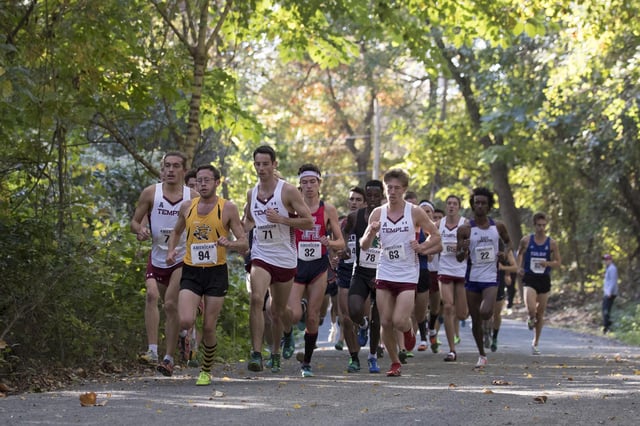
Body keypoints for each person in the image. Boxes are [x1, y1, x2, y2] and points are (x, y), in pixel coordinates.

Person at [166, 164, 248, 385]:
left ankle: (206, 369)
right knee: (185, 320)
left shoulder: (228, 208)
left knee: (209, 327)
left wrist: (229, 243)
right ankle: (189, 330)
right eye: (199, 180)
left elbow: (244, 242)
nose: (202, 184)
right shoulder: (187, 207)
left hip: (216, 272)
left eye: (207, 180)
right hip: (191, 270)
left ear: (217, 183)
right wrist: (172, 250)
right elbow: (176, 231)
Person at [360, 169, 441, 376]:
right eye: (389, 188)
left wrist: (422, 247)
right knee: (385, 321)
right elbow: (364, 246)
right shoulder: (377, 213)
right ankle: (395, 363)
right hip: (385, 271)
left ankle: (408, 330)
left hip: (407, 273)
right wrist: (370, 232)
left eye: (397, 188)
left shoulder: (414, 212)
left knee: (398, 320)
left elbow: (436, 236)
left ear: (404, 190)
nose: (392, 192)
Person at [243, 145, 314, 373]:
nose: (261, 168)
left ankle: (277, 348)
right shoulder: (251, 193)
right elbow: (248, 221)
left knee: (278, 310)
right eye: (258, 164)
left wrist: (283, 220)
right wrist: (234, 237)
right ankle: (256, 353)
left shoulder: (288, 191)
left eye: (266, 164)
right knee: (256, 299)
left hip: (284, 258)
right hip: (261, 254)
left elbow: (309, 221)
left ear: (274, 165)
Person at [130, 151, 197, 375]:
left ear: (184, 171)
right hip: (157, 255)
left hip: (181, 257)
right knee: (151, 296)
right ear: (162, 169)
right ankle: (152, 350)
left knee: (170, 304)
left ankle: (168, 358)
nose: (170, 170)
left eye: (176, 166)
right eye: (167, 166)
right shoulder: (151, 193)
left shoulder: (193, 197)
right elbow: (135, 221)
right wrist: (140, 230)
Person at [281, 164, 344, 377]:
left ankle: (306, 362)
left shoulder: (328, 209)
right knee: (292, 314)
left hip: (318, 266)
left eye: (313, 182)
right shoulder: (292, 207)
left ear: (319, 184)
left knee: (313, 317)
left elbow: (341, 242)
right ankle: (288, 334)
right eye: (305, 182)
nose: (309, 186)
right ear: (299, 184)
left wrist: (330, 242)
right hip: (296, 264)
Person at [456, 187, 511, 368]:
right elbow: (459, 257)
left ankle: (488, 327)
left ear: (489, 206)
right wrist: (462, 249)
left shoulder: (498, 226)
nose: (479, 206)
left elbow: (508, 242)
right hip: (472, 278)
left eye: (483, 203)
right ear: (472, 205)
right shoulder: (465, 229)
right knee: (475, 320)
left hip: (491, 276)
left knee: (486, 311)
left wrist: (504, 253)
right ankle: (481, 354)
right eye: (477, 203)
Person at [343, 180, 385, 373]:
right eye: (370, 195)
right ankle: (362, 324)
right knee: (353, 309)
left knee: (377, 319)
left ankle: (372, 356)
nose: (374, 199)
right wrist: (342, 249)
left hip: (382, 273)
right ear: (366, 197)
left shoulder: (390, 218)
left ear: (383, 196)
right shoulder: (356, 217)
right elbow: (343, 233)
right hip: (360, 271)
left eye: (377, 195)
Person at [516, 212, 561, 355]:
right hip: (529, 277)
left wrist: (547, 263)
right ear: (534, 225)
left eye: (543, 225)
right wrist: (519, 267)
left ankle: (535, 342)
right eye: (539, 225)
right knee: (531, 308)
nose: (541, 228)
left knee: (540, 312)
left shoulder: (551, 243)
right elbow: (520, 253)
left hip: (543, 278)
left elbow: (558, 262)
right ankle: (530, 317)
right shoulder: (526, 240)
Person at [334, 188, 366, 359]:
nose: (354, 202)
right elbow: (335, 245)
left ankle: (364, 326)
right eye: (352, 199)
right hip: (346, 270)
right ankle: (354, 358)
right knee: (346, 318)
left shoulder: (371, 222)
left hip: (365, 271)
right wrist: (335, 255)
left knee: (359, 315)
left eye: (358, 199)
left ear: (365, 203)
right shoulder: (341, 224)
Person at [436, 195, 468, 362]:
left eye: (455, 204)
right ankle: (451, 350)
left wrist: (462, 247)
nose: (451, 206)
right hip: (445, 270)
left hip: (461, 272)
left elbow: (473, 246)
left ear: (459, 207)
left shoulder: (465, 224)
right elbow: (431, 239)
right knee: (448, 307)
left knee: (462, 314)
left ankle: (460, 318)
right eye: (449, 203)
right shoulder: (439, 224)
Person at [484, 249, 517, 352]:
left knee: (496, 314)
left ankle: (494, 337)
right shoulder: (481, 241)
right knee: (486, 311)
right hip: (484, 280)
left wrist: (504, 269)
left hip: (499, 283)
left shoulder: (505, 248)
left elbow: (515, 267)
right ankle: (486, 332)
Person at [602, 254, 618, 334]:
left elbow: (613, 281)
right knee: (605, 310)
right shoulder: (608, 268)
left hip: (610, 293)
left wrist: (609, 292)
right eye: (604, 260)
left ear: (610, 260)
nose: (605, 261)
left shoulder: (612, 269)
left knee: (606, 310)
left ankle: (607, 327)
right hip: (607, 293)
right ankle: (606, 327)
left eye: (607, 260)